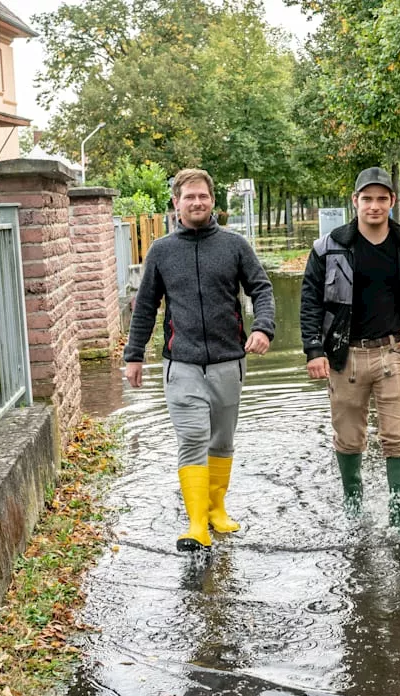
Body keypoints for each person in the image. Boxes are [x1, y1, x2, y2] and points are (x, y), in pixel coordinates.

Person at [124, 168, 275, 552]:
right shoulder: (161, 251)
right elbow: (145, 307)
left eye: (202, 197)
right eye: (188, 197)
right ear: (176, 203)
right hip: (182, 364)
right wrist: (134, 355)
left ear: (212, 202)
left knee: (221, 440)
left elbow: (261, 288)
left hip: (228, 360)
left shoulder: (235, 245)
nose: (196, 203)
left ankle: (216, 509)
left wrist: (264, 328)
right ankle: (195, 525)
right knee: (192, 438)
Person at [299, 167, 400, 534]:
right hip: (344, 356)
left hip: (395, 353)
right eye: (368, 199)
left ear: (393, 202)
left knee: (399, 437)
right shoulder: (328, 247)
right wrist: (314, 349)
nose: (375, 206)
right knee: (348, 438)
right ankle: (353, 504)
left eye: (382, 199)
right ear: (355, 202)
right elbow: (310, 302)